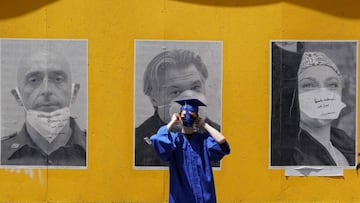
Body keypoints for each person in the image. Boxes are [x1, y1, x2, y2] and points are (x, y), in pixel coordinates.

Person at [135, 49, 221, 166]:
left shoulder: (219, 135)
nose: (189, 98)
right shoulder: (137, 144)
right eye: (175, 92)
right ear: (154, 98)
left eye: (195, 87)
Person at [1, 50, 86, 166]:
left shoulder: (99, 149)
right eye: (34, 80)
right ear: (18, 97)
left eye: (58, 79)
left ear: (74, 92)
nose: (46, 90)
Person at [150, 98, 230, 203]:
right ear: (179, 117)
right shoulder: (175, 140)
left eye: (191, 116)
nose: (187, 118)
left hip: (203, 195)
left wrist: (203, 124)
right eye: (183, 116)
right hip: (181, 195)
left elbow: (221, 140)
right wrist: (173, 121)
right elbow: (157, 138)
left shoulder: (203, 141)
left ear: (196, 117)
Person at [292, 51, 355, 166]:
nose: (323, 93)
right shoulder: (287, 156)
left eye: (332, 85)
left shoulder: (349, 146)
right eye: (309, 85)